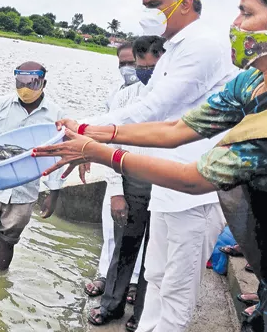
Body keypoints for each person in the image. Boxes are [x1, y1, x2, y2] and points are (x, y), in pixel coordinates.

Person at [33, 0, 267, 331]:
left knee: (177, 292)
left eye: (247, 12)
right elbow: (177, 127)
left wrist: (101, 153)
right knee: (158, 276)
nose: (236, 24)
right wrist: (91, 131)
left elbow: (194, 177)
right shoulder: (255, 82)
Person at [77, 0, 238, 331]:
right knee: (156, 275)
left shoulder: (203, 45)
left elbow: (156, 112)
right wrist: (79, 126)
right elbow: (142, 105)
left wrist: (87, 133)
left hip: (193, 195)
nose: (147, 12)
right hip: (165, 191)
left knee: (176, 294)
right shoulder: (172, 51)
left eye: (155, 4)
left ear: (187, 4)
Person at [88, 36, 166, 331]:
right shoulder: (123, 98)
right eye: (139, 64)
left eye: (151, 65)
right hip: (131, 180)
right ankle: (111, 304)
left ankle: (143, 312)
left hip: (165, 180)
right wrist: (116, 191)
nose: (144, 70)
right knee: (123, 247)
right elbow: (112, 146)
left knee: (155, 254)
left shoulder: (177, 95)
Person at [0, 61, 66, 270]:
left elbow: (57, 155)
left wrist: (54, 193)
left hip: (24, 191)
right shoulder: (0, 105)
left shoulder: (54, 114)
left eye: (32, 82)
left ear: (44, 82)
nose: (25, 87)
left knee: (8, 241)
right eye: (21, 81)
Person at [85, 41, 144, 298]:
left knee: (137, 233)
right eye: (123, 63)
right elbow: (106, 132)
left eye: (132, 62)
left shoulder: (152, 93)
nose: (127, 68)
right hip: (115, 167)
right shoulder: (117, 94)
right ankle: (103, 275)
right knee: (110, 228)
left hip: (143, 170)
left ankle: (132, 281)